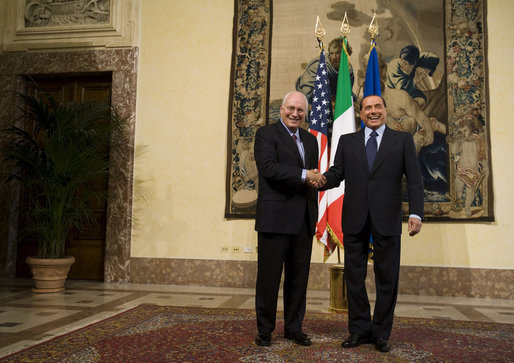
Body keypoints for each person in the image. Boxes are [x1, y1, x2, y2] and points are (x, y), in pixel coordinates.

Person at [311, 95, 424, 353]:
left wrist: (416, 213)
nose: (373, 112)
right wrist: (320, 180)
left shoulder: (402, 140)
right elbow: (337, 173)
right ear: (360, 114)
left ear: (385, 110)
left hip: (387, 219)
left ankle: (381, 333)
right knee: (354, 277)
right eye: (367, 108)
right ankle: (359, 330)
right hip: (355, 218)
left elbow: (415, 181)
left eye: (377, 107)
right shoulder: (347, 141)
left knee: (388, 278)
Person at [253, 91, 321, 347]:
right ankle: (265, 331)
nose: (295, 114)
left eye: (300, 110)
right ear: (282, 109)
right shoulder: (266, 134)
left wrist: (318, 179)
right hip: (275, 219)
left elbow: (311, 178)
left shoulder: (310, 140)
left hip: (303, 220)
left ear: (305, 113)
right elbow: (269, 169)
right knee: (269, 279)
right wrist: (306, 175)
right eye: (291, 108)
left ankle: (294, 328)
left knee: (298, 279)